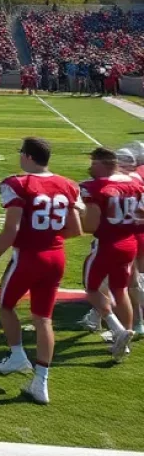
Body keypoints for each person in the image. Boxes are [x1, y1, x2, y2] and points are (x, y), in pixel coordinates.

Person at [0, 136, 82, 405]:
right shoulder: (67, 184)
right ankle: (41, 382)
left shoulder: (18, 183)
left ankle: (17, 356)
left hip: (28, 257)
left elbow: (12, 228)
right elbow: (76, 229)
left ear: (28, 156)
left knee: (5, 305)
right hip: (56, 256)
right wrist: (49, 234)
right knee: (44, 319)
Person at [79, 147, 141, 361]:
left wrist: (77, 215)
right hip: (129, 244)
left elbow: (90, 226)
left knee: (92, 289)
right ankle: (125, 341)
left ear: (101, 163)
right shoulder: (133, 183)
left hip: (106, 244)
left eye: (93, 162)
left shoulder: (95, 187)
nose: (89, 167)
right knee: (120, 289)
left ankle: (117, 329)